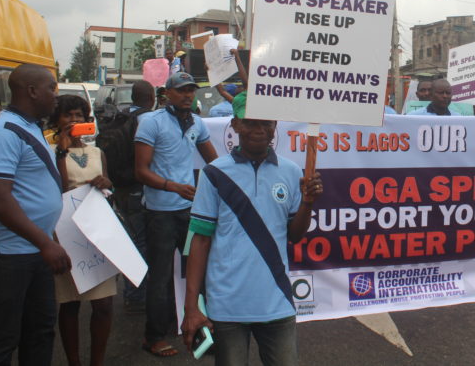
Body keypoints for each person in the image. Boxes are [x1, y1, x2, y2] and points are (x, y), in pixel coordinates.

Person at [181, 93, 323, 366]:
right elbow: (200, 242)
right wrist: (191, 308)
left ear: (275, 125)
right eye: (250, 122)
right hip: (227, 305)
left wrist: (307, 203)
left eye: (266, 122)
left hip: (277, 302)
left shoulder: (292, 172)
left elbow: (295, 235)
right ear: (235, 124)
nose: (259, 129)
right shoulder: (214, 173)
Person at [134, 72, 218, 357]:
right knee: (159, 278)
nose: (187, 96)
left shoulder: (196, 123)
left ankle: (201, 334)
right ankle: (153, 336)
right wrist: (172, 187)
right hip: (159, 213)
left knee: (201, 271)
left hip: (188, 211)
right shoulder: (151, 122)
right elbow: (141, 171)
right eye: (181, 90)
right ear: (167, 93)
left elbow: (215, 163)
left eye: (191, 91)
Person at [0, 64, 70, 365]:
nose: (56, 95)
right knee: (3, 338)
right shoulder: (5, 131)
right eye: (52, 87)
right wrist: (45, 243)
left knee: (39, 332)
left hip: (35, 251)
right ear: (32, 91)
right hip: (13, 256)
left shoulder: (30, 126)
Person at [48, 95, 115, 366]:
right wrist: (62, 152)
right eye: (68, 115)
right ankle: (73, 361)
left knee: (104, 305)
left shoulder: (97, 152)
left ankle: (96, 361)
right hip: (66, 233)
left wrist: (105, 182)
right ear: (56, 120)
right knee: (71, 303)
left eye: (79, 115)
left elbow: (110, 191)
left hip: (97, 231)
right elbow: (58, 191)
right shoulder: (50, 152)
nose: (74, 120)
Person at [117, 80, 155, 312]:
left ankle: (132, 292)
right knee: (141, 241)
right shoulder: (148, 120)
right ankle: (135, 294)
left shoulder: (121, 117)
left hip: (120, 186)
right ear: (150, 97)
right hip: (138, 187)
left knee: (131, 240)